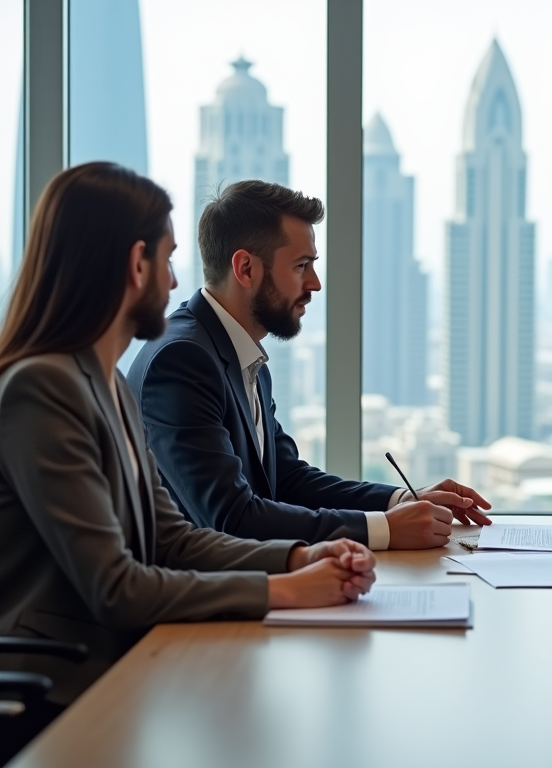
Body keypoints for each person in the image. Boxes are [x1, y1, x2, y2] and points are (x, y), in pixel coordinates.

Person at [0, 163, 376, 708]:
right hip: (62, 689)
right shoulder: (42, 389)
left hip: (128, 668)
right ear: (136, 264)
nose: (176, 282)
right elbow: (116, 587)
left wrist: (300, 556)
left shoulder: (106, 384)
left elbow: (171, 541)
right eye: (168, 258)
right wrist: (284, 589)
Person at [127, 180, 491, 550]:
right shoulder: (181, 361)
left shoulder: (241, 355)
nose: (315, 283)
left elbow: (285, 479)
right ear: (246, 268)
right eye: (301, 266)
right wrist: (384, 529)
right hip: (197, 602)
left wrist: (400, 501)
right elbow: (231, 518)